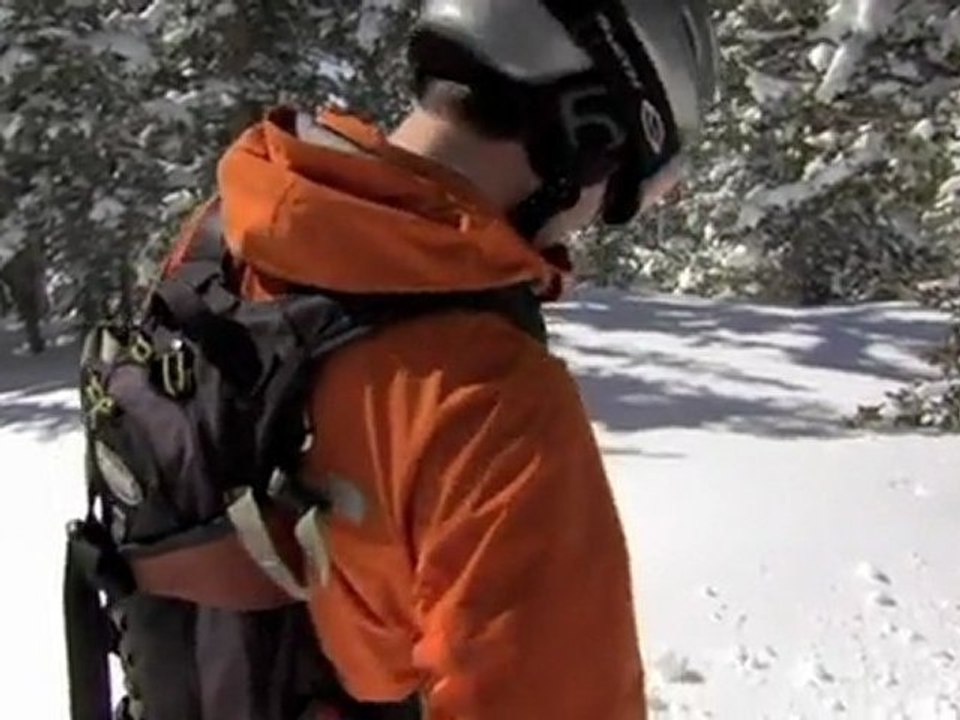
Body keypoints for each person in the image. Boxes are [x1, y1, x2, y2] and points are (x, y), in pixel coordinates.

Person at [70, 1, 718, 719]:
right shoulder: (491, 398)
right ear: (584, 129)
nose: (600, 217)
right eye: (628, 185)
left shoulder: (227, 233)